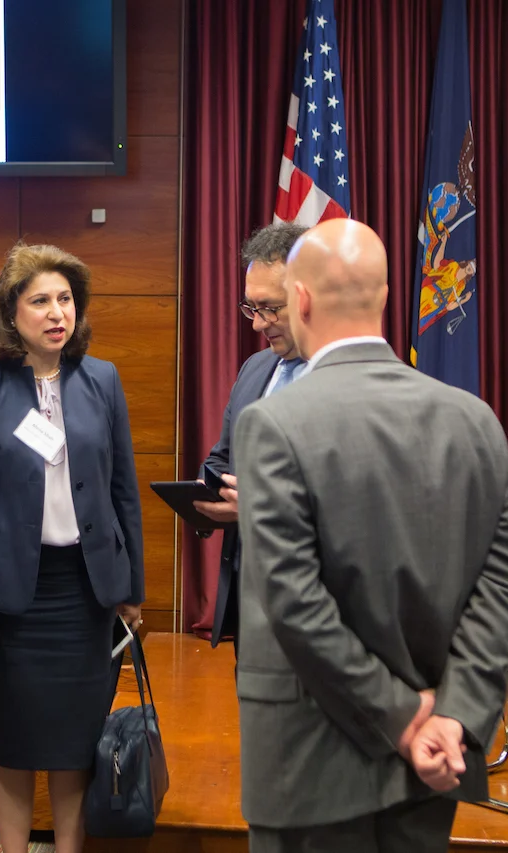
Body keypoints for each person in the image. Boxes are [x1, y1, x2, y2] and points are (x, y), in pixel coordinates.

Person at [230, 218, 508, 853]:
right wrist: (452, 714)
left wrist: (402, 719)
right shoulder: (475, 421)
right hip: (436, 762)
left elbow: (293, 602)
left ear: (301, 299)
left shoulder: (273, 425)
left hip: (309, 767)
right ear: (388, 296)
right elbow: (507, 586)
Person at [0, 243, 145, 853]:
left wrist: (131, 589)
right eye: (41, 301)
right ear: (11, 312)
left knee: (76, 743)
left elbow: (123, 490)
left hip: (84, 593)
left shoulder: (102, 379)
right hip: (11, 600)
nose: (58, 313)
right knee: (11, 742)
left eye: (66, 299)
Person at [194, 222, 308, 651]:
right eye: (251, 308)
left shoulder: (350, 379)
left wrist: (263, 504)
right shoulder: (255, 368)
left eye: (270, 308)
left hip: (319, 593)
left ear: (307, 296)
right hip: (248, 588)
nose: (259, 324)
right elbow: (222, 458)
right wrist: (206, 494)